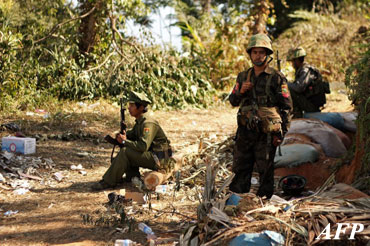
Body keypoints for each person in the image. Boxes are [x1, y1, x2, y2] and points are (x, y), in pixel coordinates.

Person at [228, 33, 292, 199]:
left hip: (266, 134)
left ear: (267, 54)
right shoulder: (243, 76)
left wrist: (282, 133)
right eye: (255, 52)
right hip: (245, 132)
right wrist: (241, 91)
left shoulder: (277, 77)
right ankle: (237, 202)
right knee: (241, 167)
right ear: (250, 54)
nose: (258, 56)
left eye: (261, 52)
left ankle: (263, 204)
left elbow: (286, 107)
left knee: (265, 170)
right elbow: (233, 101)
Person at [92, 91, 173, 190]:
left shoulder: (148, 123)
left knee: (126, 152)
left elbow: (143, 146)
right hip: (155, 156)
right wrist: (122, 135)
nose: (129, 108)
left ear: (141, 107)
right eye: (129, 105)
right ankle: (132, 176)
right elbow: (132, 135)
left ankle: (108, 181)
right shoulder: (140, 122)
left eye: (132, 105)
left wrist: (124, 141)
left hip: (161, 161)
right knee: (128, 147)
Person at [286, 47, 330, 118]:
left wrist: (286, 84)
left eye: (293, 61)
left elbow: (298, 88)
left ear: (297, 60)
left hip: (311, 106)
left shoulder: (306, 70)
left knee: (289, 89)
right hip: (309, 103)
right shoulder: (302, 70)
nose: (292, 64)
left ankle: (297, 115)